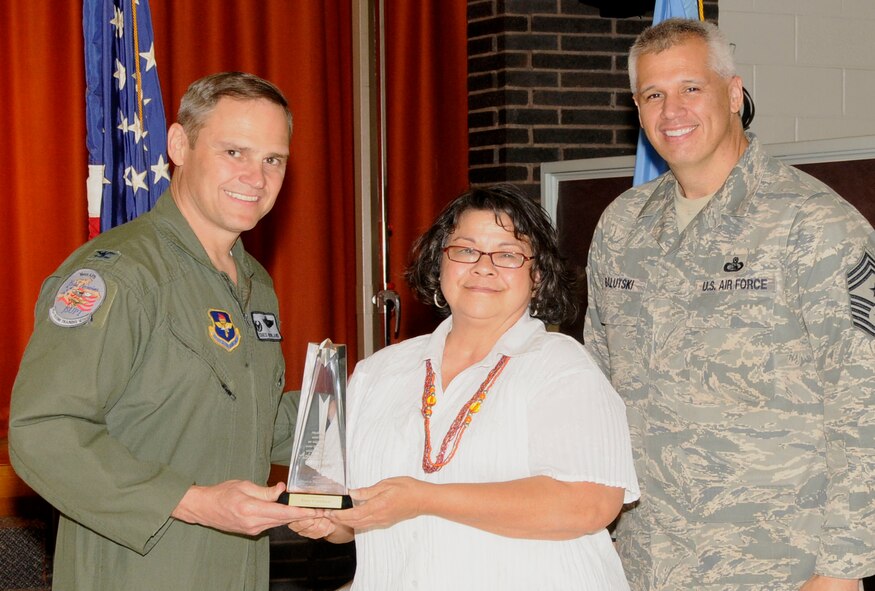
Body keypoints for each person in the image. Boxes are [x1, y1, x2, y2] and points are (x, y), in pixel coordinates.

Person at [584, 18, 875, 591]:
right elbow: (596, 384)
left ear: (733, 94)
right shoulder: (621, 227)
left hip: (776, 562)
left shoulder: (814, 223)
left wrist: (842, 567)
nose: (672, 111)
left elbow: (864, 403)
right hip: (644, 557)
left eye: (691, 88)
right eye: (653, 94)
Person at [8, 72, 317, 590]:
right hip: (139, 571)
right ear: (179, 144)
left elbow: (242, 421)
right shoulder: (121, 274)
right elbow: (43, 430)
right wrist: (194, 502)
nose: (256, 177)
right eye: (234, 152)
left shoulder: (255, 283)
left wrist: (359, 398)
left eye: (273, 160)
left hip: (235, 572)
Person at [291, 184, 640, 590]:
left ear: (537, 275)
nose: (483, 267)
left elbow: (589, 504)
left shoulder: (561, 366)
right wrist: (326, 520)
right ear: (440, 263)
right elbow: (351, 519)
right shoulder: (377, 373)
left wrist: (424, 498)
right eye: (466, 250)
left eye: (507, 255)